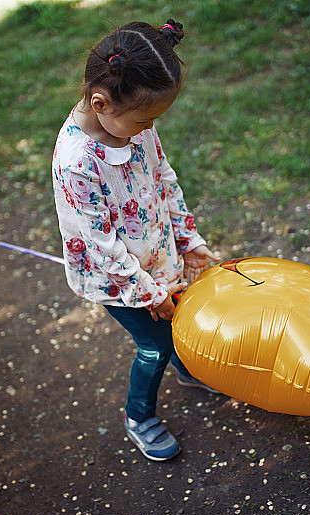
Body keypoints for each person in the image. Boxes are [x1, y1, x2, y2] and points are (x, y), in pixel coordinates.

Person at [50, 19, 219, 462]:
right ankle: (139, 417)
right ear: (100, 103)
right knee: (155, 344)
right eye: (145, 120)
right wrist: (149, 294)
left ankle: (186, 369)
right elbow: (103, 245)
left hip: (156, 253)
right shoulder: (77, 162)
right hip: (118, 279)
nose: (149, 128)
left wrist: (188, 238)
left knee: (176, 322)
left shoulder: (134, 124)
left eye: (153, 120)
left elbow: (164, 178)